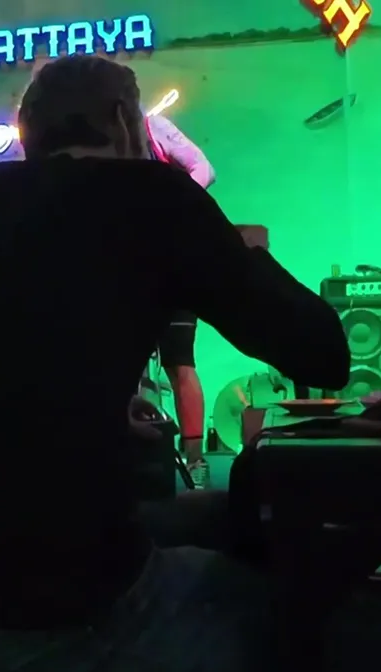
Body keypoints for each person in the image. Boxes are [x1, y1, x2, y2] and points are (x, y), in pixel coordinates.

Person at [0, 54, 381, 672]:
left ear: (29, 131)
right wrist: (238, 245)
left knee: (225, 519)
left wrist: (102, 407)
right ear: (124, 121)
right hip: (68, 630)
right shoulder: (151, 195)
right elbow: (324, 354)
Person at [142, 112, 216, 485]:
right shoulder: (90, 140)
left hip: (173, 260)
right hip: (125, 264)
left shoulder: (153, 126)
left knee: (179, 359)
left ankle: (194, 459)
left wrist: (176, 204)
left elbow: (204, 168)